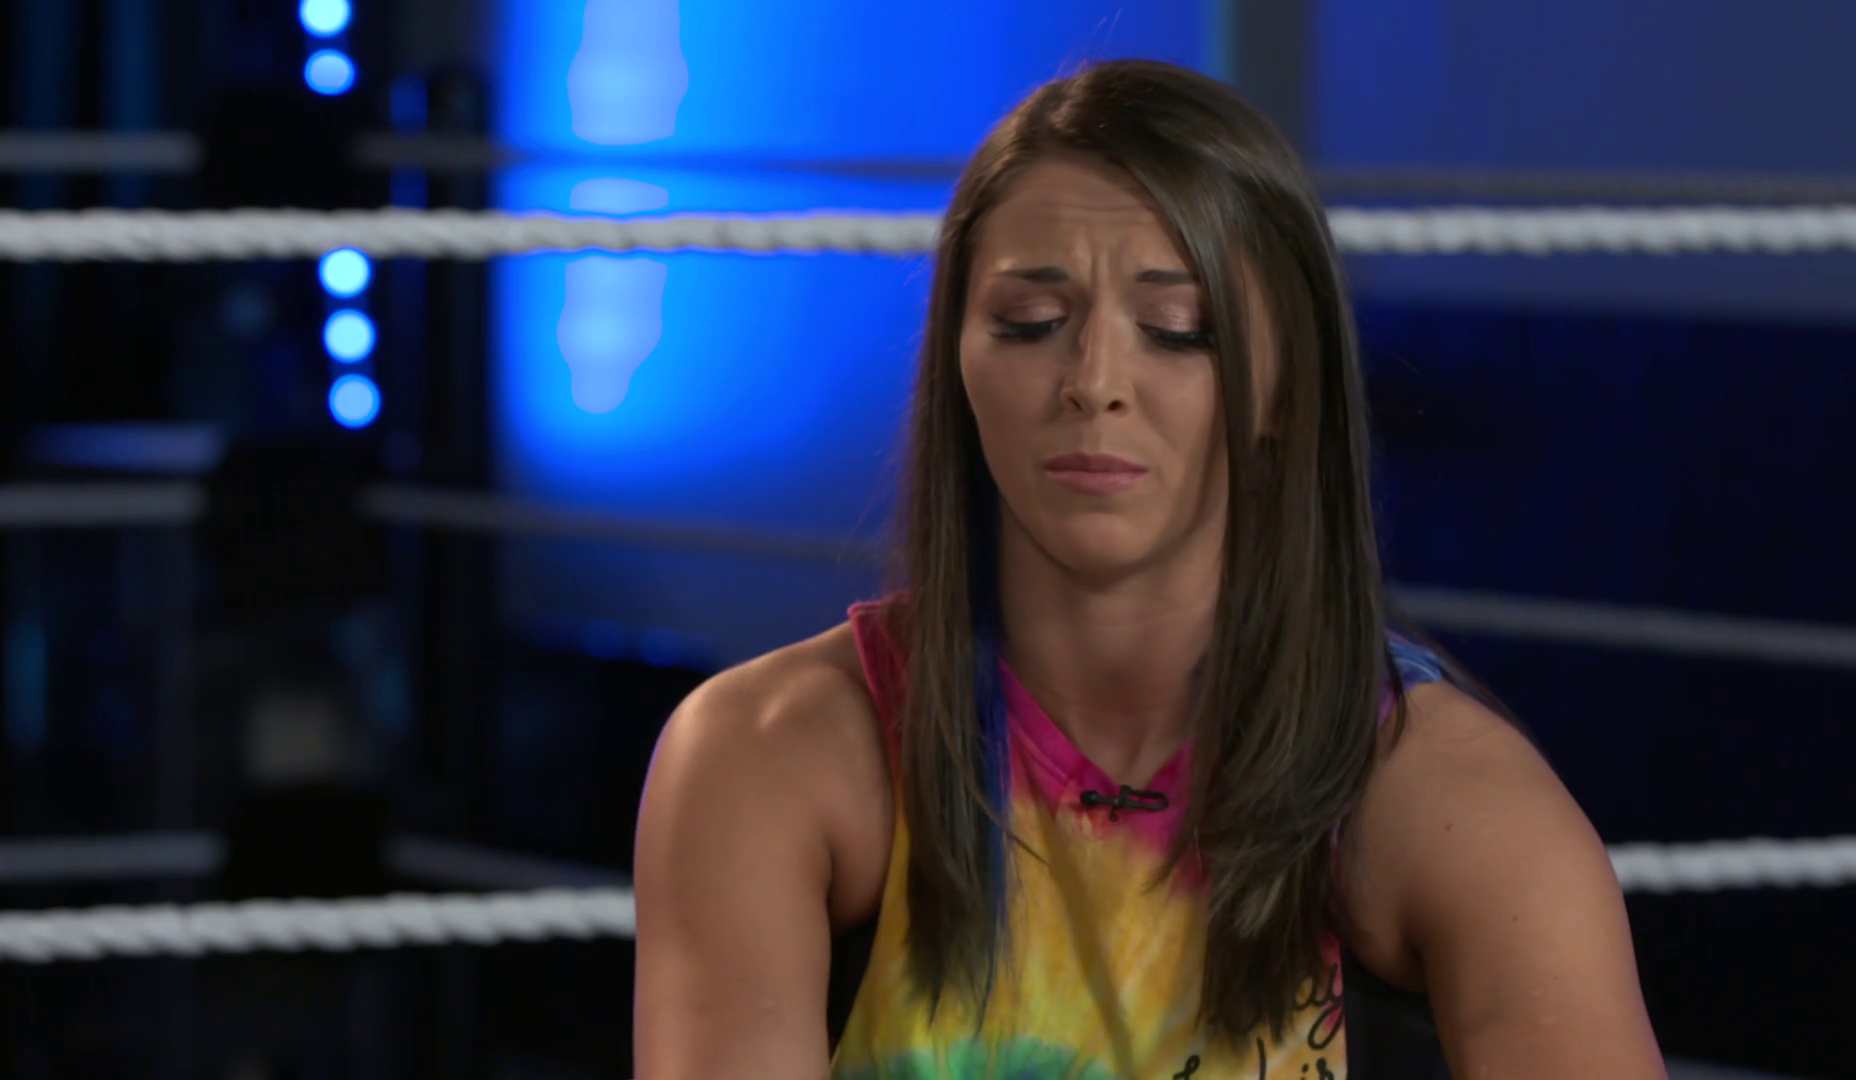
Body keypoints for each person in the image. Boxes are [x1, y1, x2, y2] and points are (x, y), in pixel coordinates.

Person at [632, 60, 1665, 1080]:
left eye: (1178, 333)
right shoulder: (764, 755)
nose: (1094, 382)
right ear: (956, 361)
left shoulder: (1462, 805)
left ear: (1287, 388)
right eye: (1030, 324)